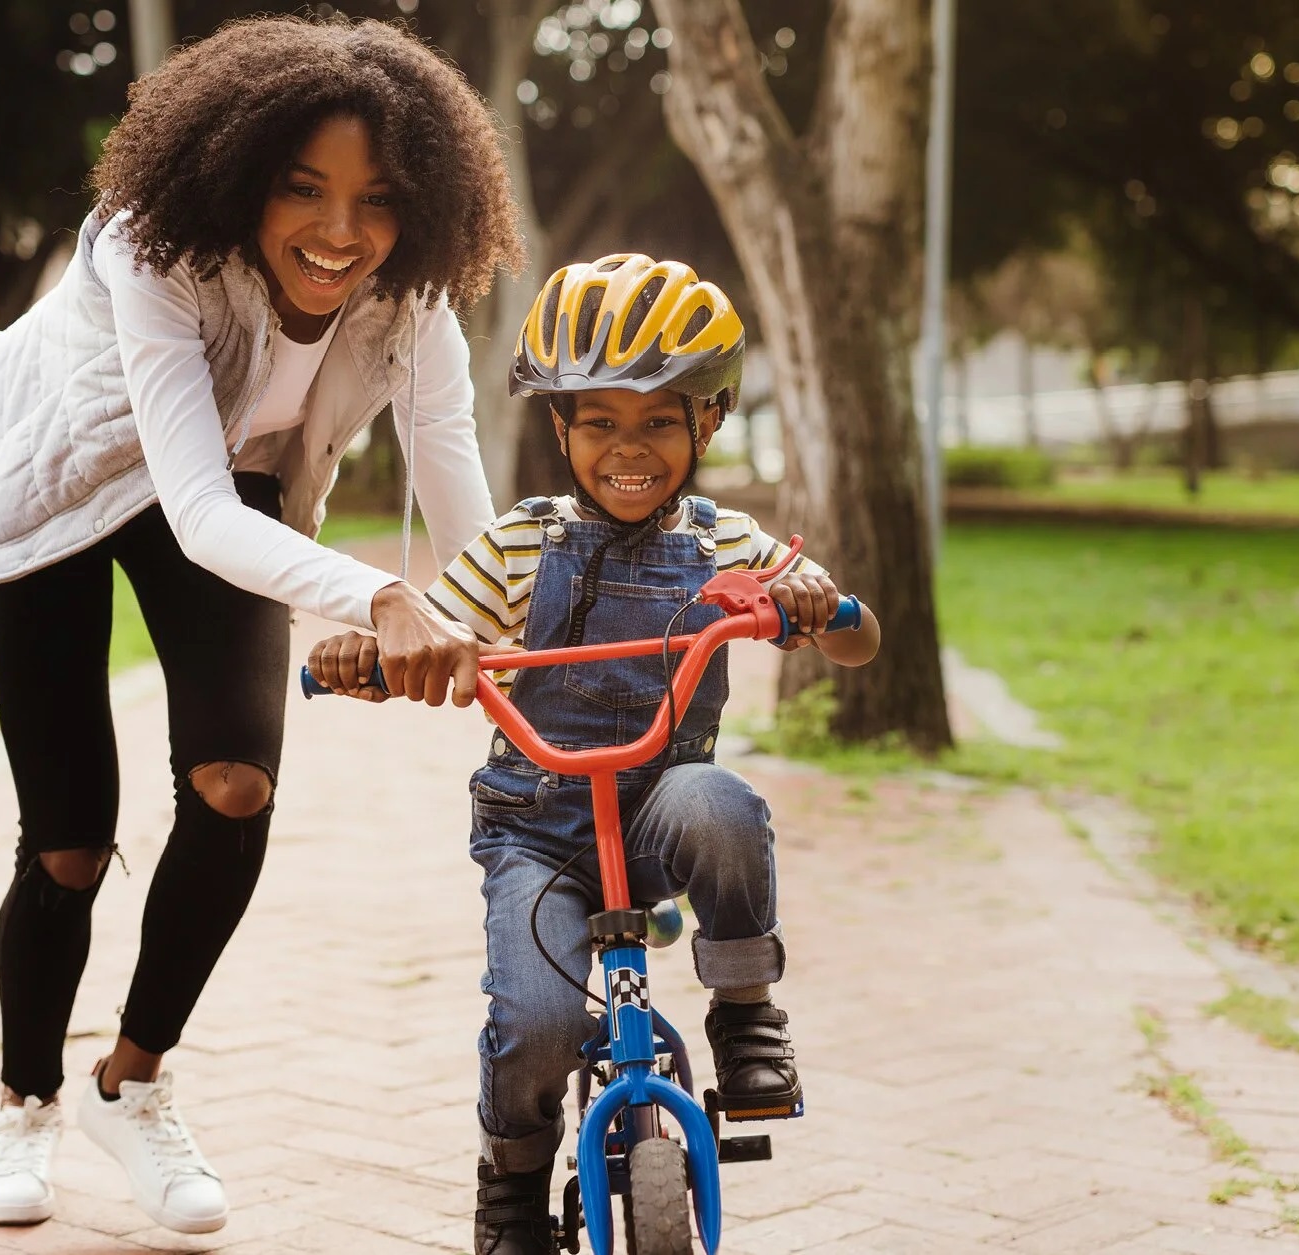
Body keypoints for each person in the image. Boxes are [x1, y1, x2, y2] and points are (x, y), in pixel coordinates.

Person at [0, 16, 524, 1235]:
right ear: (239, 177)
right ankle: (25, 1099)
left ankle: (131, 1083)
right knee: (67, 841)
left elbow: (450, 462)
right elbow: (195, 510)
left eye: (376, 200)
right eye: (301, 189)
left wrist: (500, 617)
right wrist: (380, 593)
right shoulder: (152, 251)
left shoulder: (411, 301)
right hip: (62, 484)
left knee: (234, 781)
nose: (340, 231)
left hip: (229, 485)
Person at [307, 254, 883, 1255]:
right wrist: (379, 651)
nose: (630, 448)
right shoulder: (519, 544)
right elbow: (441, 627)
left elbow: (857, 637)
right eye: (600, 422)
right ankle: (511, 1188)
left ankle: (744, 1012)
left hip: (660, 819)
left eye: (658, 421)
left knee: (722, 802)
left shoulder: (729, 545)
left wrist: (816, 607)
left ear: (704, 424)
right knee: (534, 1023)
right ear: (560, 429)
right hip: (540, 831)